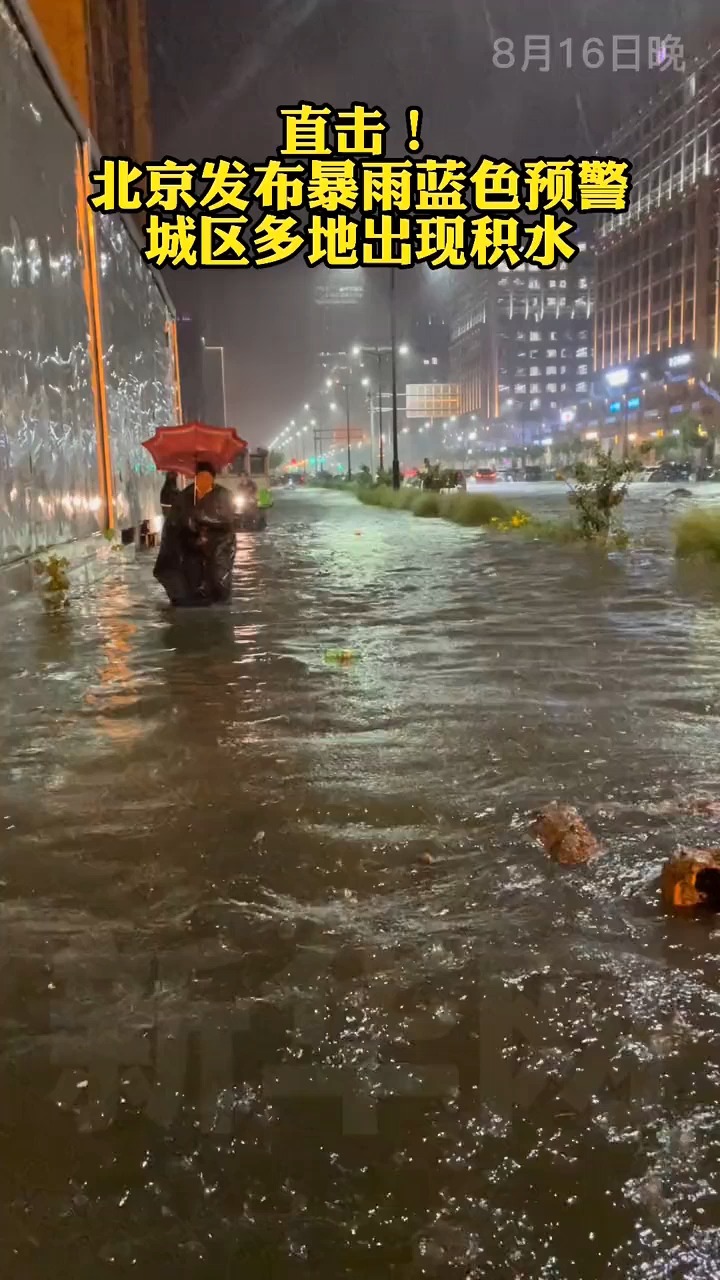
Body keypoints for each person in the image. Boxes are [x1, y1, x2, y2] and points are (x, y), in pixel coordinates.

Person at [153, 461, 236, 606]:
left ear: (212, 478)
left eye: (207, 477)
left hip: (217, 545)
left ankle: (216, 599)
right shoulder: (186, 495)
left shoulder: (223, 494)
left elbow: (226, 521)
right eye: (200, 477)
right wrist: (190, 528)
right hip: (192, 546)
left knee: (217, 578)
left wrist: (203, 523)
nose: (203, 480)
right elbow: (175, 521)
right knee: (191, 577)